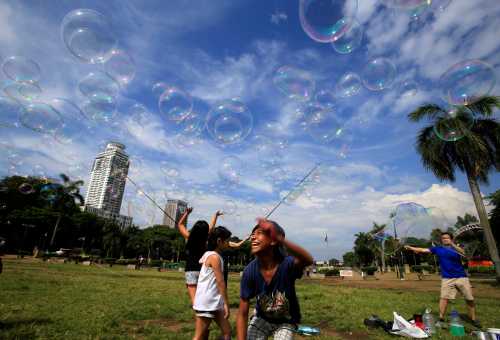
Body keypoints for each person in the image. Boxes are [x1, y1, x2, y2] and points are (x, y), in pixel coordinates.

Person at [236, 218, 314, 340]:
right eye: (252, 234)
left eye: (259, 233)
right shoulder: (249, 271)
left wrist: (281, 240)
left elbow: (307, 260)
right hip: (261, 318)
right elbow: (242, 312)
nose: (253, 237)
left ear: (273, 240)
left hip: (286, 321)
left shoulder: (287, 264)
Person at [405, 232, 481, 328]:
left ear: (451, 239)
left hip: (461, 276)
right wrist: (411, 248)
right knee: (444, 298)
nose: (445, 239)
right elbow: (423, 250)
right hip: (447, 278)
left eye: (447, 238)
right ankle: (441, 318)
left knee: (469, 298)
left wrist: (452, 244)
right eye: (443, 238)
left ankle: (473, 319)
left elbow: (464, 253)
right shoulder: (438, 249)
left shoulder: (456, 248)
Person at [192, 226, 233, 340]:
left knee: (227, 332)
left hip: (213, 302)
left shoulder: (208, 254)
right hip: (207, 303)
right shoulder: (214, 257)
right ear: (219, 241)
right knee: (199, 336)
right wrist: (226, 304)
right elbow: (220, 282)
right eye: (227, 240)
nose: (229, 243)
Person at [178, 208, 221, 305]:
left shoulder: (189, 237)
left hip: (190, 270)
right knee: (203, 297)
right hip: (203, 270)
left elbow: (180, 224)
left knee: (195, 300)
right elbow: (212, 226)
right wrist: (216, 215)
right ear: (205, 231)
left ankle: (199, 316)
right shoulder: (206, 239)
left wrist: (187, 213)